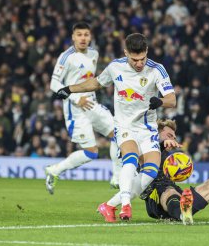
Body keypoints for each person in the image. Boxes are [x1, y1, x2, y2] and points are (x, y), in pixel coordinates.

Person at [55, 33, 176, 220]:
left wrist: (159, 101)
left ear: (147, 52)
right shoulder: (115, 67)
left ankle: (109, 205)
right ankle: (126, 206)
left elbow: (172, 99)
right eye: (134, 59)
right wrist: (70, 88)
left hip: (147, 128)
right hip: (124, 125)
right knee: (131, 158)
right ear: (126, 53)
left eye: (142, 58)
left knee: (150, 172)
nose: (139, 63)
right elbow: (96, 82)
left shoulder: (156, 70)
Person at [46, 22, 115, 194]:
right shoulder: (66, 57)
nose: (83, 38)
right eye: (79, 34)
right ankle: (54, 170)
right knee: (92, 153)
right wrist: (77, 99)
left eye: (86, 34)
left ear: (90, 37)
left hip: (92, 104)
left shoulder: (94, 53)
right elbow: (54, 84)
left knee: (119, 134)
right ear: (73, 37)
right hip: (75, 109)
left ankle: (117, 177)